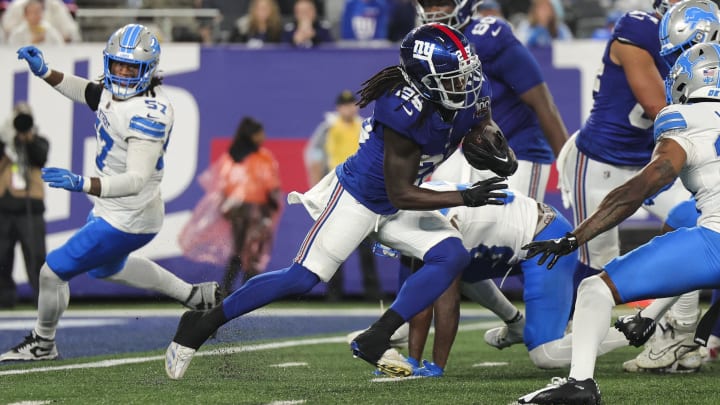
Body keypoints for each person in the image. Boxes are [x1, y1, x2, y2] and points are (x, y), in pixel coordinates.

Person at [164, 22, 515, 380]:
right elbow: (401, 193)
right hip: (361, 197)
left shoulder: (472, 88)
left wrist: (494, 146)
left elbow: (479, 122)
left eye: (467, 73)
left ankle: (376, 337)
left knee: (451, 254)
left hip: (397, 203)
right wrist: (465, 196)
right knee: (301, 279)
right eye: (455, 78)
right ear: (425, 80)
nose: (467, 84)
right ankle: (201, 324)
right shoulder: (402, 110)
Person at [0, 24, 220, 362]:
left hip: (128, 214)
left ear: (149, 69)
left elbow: (135, 179)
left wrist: (82, 183)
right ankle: (194, 296)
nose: (122, 73)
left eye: (131, 67)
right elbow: (88, 92)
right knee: (106, 269)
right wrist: (44, 71)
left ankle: (43, 342)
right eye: (117, 64)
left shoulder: (148, 114)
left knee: (52, 271)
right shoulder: (114, 91)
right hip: (118, 209)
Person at [516, 41, 720, 405]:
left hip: (714, 242)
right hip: (710, 241)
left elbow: (649, 180)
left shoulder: (683, 119)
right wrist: (654, 313)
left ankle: (580, 385)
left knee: (594, 290)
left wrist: (576, 237)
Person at [373, 183, 630, 377]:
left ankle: (633, 329)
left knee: (546, 354)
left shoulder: (437, 224)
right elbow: (421, 297)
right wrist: (413, 362)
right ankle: (515, 323)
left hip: (545, 238)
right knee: (446, 274)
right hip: (511, 236)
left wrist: (437, 366)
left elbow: (446, 303)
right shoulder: (416, 205)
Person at [418, 0, 569, 203]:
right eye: (428, 5)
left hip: (518, 151)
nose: (433, 12)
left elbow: (543, 102)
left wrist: (569, 167)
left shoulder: (488, 37)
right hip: (473, 154)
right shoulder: (429, 46)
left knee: (516, 228)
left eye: (441, 4)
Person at [320, 90, 382, 302]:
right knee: (338, 242)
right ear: (339, 108)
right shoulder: (333, 129)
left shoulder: (363, 125)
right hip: (343, 185)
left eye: (352, 104)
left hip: (363, 188)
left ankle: (372, 293)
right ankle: (334, 293)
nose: (349, 108)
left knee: (366, 244)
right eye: (345, 105)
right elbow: (331, 160)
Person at [216, 117, 283, 295]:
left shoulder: (232, 155)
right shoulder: (262, 157)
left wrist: (226, 206)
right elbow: (271, 184)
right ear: (252, 135)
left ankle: (226, 290)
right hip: (257, 210)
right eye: (260, 133)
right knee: (253, 252)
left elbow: (224, 183)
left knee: (238, 251)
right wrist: (273, 204)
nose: (263, 137)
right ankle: (249, 292)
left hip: (236, 210)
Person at [0, 102, 49, 308]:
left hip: (31, 209)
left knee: (36, 256)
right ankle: (4, 300)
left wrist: (27, 139)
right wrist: (7, 141)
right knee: (1, 258)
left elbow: (40, 157)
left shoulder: (39, 142)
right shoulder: (3, 145)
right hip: (3, 208)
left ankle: (43, 300)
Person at [1, 0, 80, 43]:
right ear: (25, 15)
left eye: (38, 12)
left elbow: (70, 32)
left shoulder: (56, 6)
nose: (35, 16)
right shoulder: (17, 5)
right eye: (31, 12)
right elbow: (7, 28)